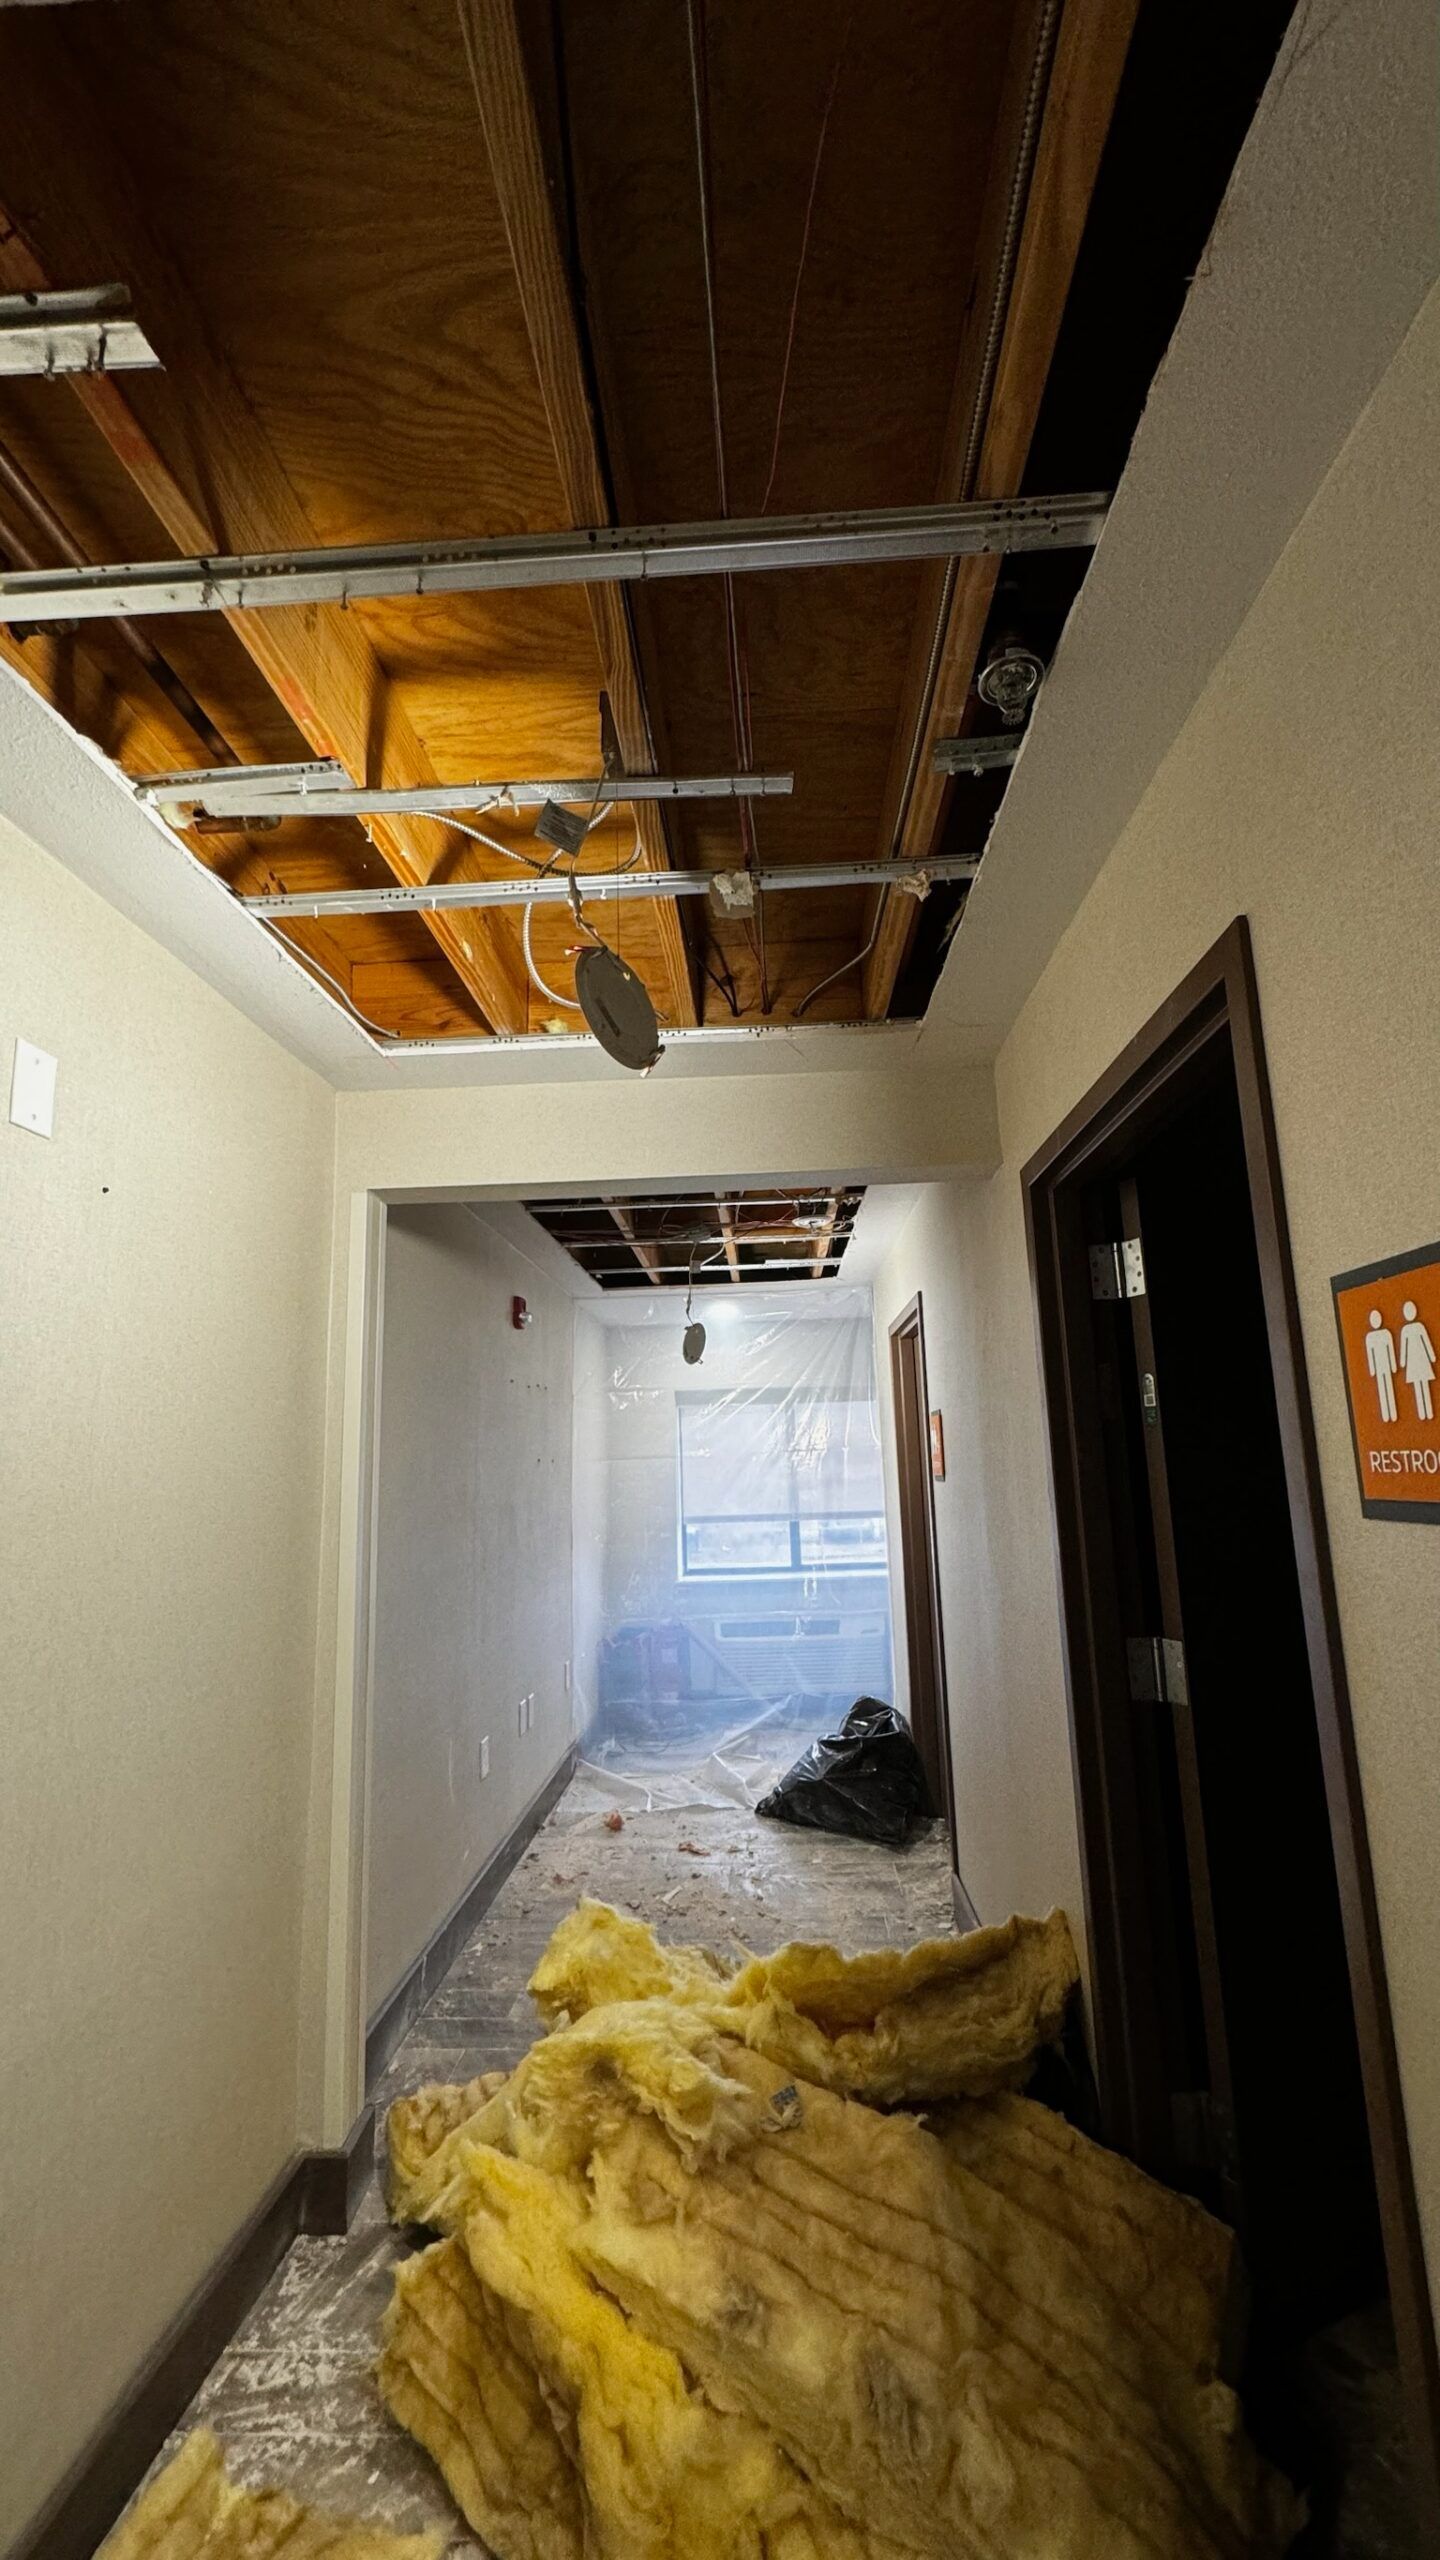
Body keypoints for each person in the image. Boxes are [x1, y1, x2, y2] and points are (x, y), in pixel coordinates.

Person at [1398, 1298, 1435, 1423]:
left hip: (1420, 1360)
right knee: (1418, 1386)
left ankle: (1428, 1411)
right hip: (1414, 1362)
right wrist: (1402, 1361)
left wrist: (1431, 1356)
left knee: (1423, 1383)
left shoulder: (1418, 1327)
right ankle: (1423, 1411)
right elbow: (1404, 1347)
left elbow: (1426, 1341)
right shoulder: (1406, 1330)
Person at [1365, 1310, 1398, 1423]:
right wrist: (1372, 1369)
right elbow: (1371, 1354)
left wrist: (1393, 1365)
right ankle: (1386, 1413)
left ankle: (1393, 1413)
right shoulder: (1369, 1337)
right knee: (1382, 1388)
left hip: (1386, 1366)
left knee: (1388, 1386)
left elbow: (1390, 1351)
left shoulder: (1386, 1334)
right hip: (1379, 1367)